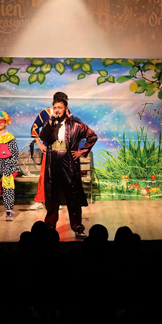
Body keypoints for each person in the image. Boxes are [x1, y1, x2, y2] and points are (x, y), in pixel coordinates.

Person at [39, 96, 97, 237]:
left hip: (69, 164)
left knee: (73, 196)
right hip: (52, 163)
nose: (57, 110)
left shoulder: (76, 124)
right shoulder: (50, 123)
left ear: (66, 108)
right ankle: (50, 226)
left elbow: (92, 136)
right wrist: (50, 123)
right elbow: (43, 137)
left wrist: (81, 152)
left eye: (60, 107)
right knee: (52, 196)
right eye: (55, 107)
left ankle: (77, 227)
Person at [30, 92, 73, 210]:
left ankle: (56, 200)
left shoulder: (68, 114)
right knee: (44, 176)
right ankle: (40, 200)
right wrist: (39, 144)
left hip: (62, 150)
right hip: (49, 150)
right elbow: (34, 127)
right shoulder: (45, 113)